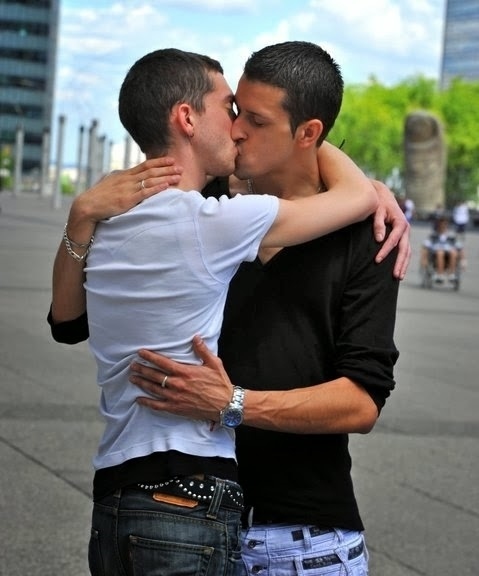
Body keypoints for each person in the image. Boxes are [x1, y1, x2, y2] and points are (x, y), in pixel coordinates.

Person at [49, 42, 409, 576]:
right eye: (233, 110)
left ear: (307, 133)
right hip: (191, 515)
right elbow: (69, 323)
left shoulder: (366, 236)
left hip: (299, 540)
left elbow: (362, 402)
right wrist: (81, 214)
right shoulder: (209, 208)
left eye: (255, 120)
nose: (237, 129)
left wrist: (233, 403)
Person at [420, 215, 463, 283]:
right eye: (441, 224)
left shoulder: (451, 236)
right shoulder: (433, 235)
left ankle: (452, 274)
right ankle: (440, 274)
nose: (443, 226)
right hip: (435, 255)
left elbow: (459, 247)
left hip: (449, 255)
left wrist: (463, 260)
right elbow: (425, 247)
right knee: (440, 252)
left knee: (453, 252)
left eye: (444, 224)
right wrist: (424, 259)